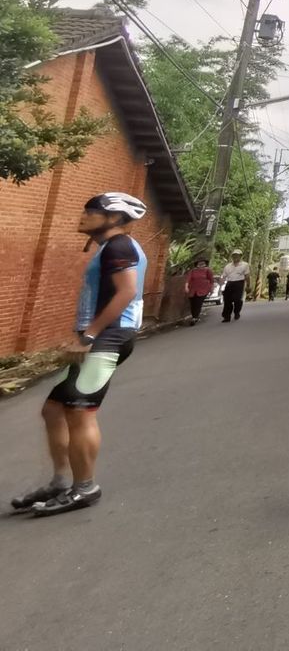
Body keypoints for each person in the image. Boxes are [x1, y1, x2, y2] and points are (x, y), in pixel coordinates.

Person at [10, 193, 148, 516]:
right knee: (53, 409)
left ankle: (84, 488)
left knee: (79, 411)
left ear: (115, 218)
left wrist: (89, 335)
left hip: (109, 337)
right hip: (101, 337)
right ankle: (61, 482)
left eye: (92, 211)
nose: (83, 216)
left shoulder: (119, 246)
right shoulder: (110, 247)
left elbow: (126, 292)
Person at [218, 250, 249, 322]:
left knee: (237, 300)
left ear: (240, 256)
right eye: (234, 255)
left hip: (239, 283)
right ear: (232, 256)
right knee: (227, 300)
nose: (235, 257)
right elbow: (224, 276)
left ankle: (236, 312)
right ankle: (226, 316)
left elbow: (247, 275)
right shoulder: (228, 266)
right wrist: (221, 285)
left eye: (237, 255)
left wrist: (248, 285)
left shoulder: (245, 265)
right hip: (229, 283)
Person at [185, 256, 214, 325]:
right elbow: (188, 279)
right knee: (193, 304)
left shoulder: (207, 270)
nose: (201, 265)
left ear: (205, 264)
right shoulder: (193, 271)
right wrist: (186, 287)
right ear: (197, 264)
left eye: (203, 263)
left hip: (203, 290)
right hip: (192, 290)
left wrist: (211, 289)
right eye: (200, 263)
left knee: (198, 303)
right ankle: (194, 316)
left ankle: (195, 318)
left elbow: (211, 280)